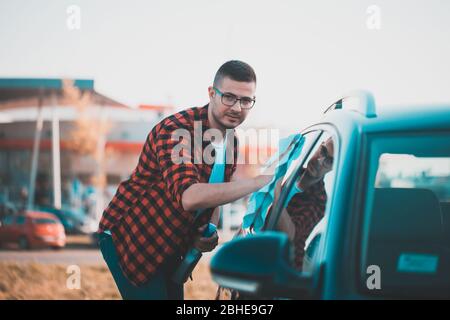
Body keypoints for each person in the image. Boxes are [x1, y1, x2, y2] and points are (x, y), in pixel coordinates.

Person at [97, 60, 273, 300]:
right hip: (132, 237)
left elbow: (213, 196)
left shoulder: (231, 141)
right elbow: (189, 197)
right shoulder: (177, 131)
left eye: (245, 101)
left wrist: (206, 233)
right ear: (211, 93)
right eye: (229, 97)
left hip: (172, 246)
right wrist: (259, 182)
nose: (237, 107)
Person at [276, 138, 334, 270]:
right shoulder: (294, 172)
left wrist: (276, 192)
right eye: (323, 151)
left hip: (284, 272)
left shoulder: (319, 200)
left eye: (329, 161)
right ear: (319, 146)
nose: (320, 161)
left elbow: (290, 235)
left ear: (333, 168)